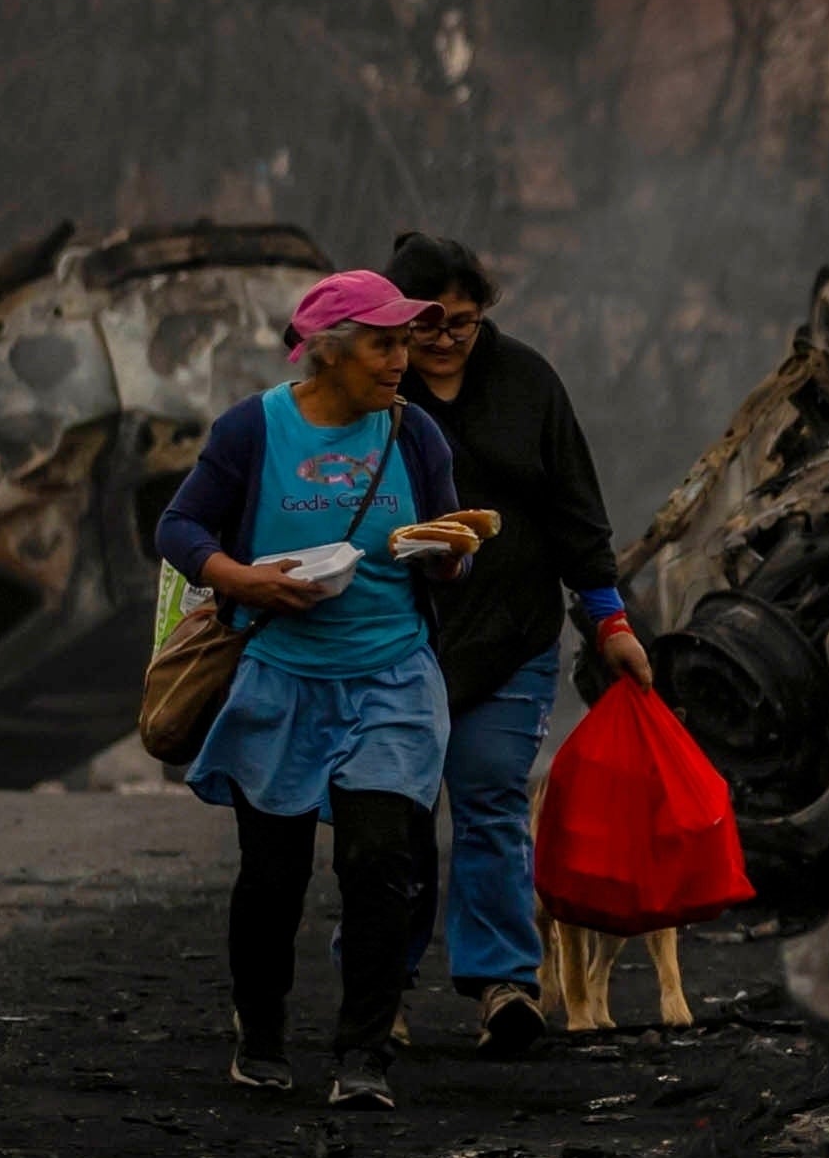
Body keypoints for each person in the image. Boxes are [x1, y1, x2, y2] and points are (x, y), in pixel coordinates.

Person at [157, 270, 460, 1105]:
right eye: (383, 342)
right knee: (273, 872)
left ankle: (364, 1054)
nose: (402, 358)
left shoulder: (417, 436)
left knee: (379, 860)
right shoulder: (253, 428)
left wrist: (448, 551)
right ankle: (260, 1034)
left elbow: (451, 539)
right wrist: (241, 580)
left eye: (405, 342)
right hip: (281, 677)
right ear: (325, 352)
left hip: (391, 675)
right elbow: (179, 526)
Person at [381, 234, 652, 1054]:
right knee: (389, 816)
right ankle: (380, 988)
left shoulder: (527, 381)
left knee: (491, 792)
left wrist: (610, 621)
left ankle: (504, 984)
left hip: (512, 635)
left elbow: (576, 507)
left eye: (459, 323)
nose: (441, 340)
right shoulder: (372, 389)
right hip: (398, 637)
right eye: (424, 324)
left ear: (482, 313)